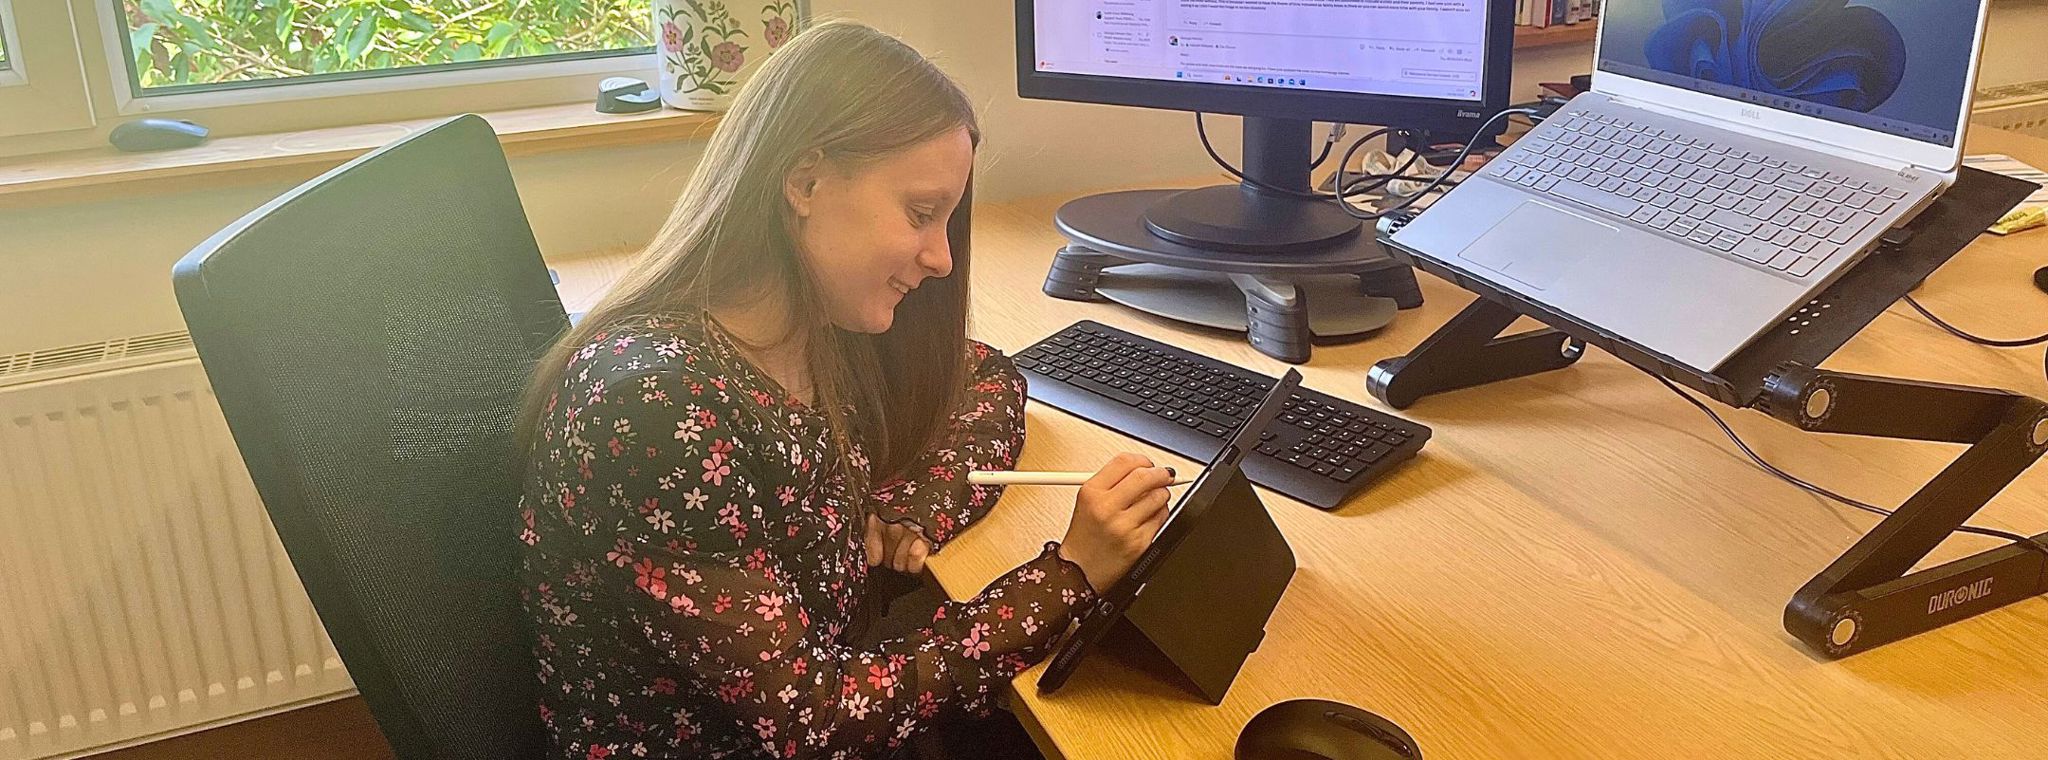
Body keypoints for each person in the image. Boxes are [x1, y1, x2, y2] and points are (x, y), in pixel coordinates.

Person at [514, 19, 1174, 760]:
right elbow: (814, 722)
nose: (942, 257)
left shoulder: (810, 326)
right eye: (922, 214)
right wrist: (1069, 575)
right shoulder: (661, 411)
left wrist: (917, 506)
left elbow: (987, 376)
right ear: (805, 182)